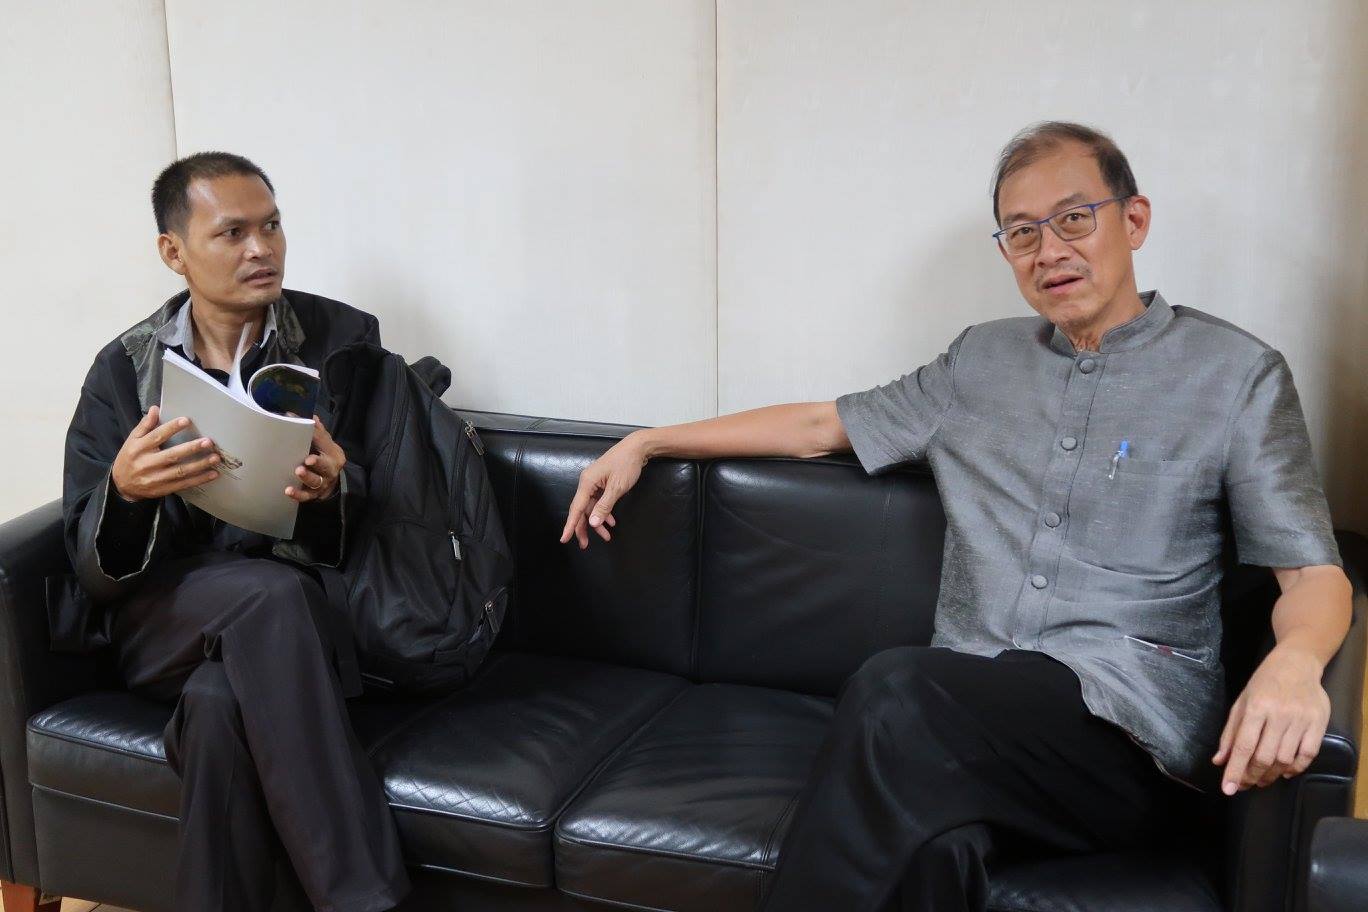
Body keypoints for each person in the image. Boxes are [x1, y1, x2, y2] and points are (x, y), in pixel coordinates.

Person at [559, 121, 1352, 911]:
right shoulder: (980, 361)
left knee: (892, 690)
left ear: (1133, 219)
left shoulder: (1236, 374)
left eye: (1075, 218)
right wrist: (650, 441)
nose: (1050, 250)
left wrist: (1295, 662)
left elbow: (1312, 571)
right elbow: (819, 425)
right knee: (937, 848)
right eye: (1022, 232)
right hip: (973, 728)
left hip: (1127, 741)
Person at [62, 152, 409, 912]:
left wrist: (333, 489)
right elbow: (90, 568)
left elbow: (384, 510)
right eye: (233, 233)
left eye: (272, 226)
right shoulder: (124, 370)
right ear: (174, 251)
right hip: (167, 624)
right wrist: (127, 493)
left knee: (220, 706)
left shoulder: (343, 341)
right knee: (267, 596)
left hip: (297, 629)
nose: (262, 249)